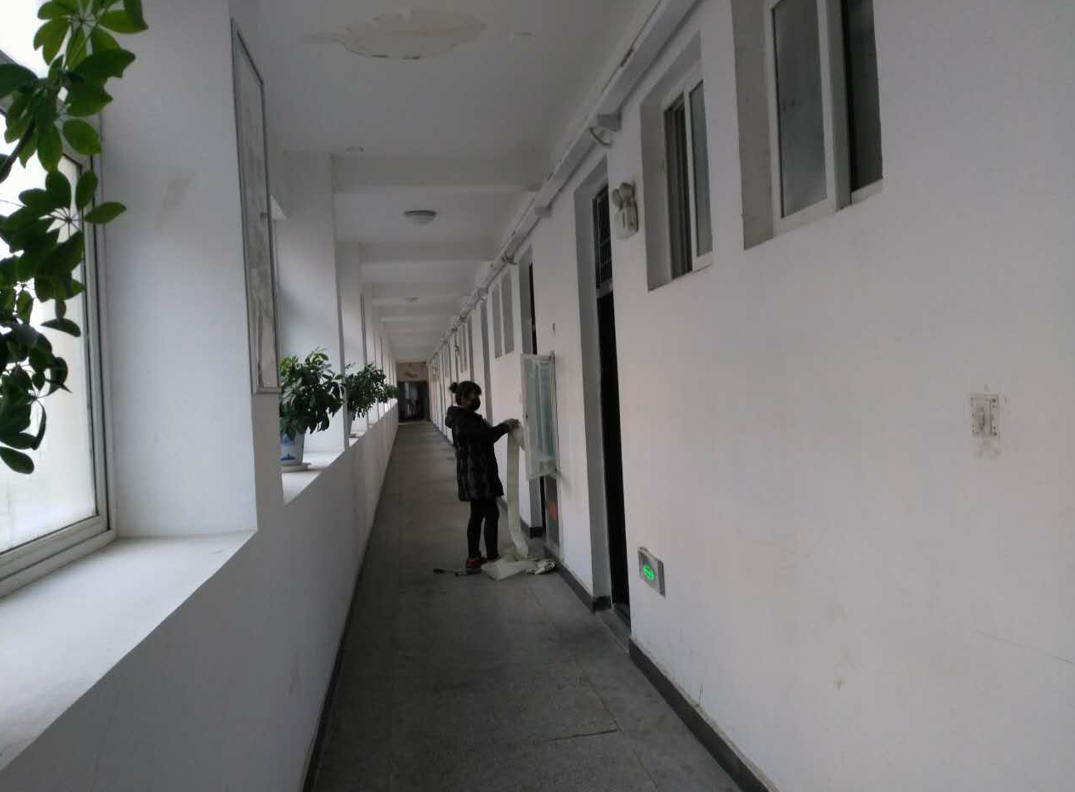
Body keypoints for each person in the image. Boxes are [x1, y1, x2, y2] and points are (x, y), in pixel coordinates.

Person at [445, 381, 519, 571]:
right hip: (477, 474)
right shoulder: (464, 420)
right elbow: (488, 436)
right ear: (463, 398)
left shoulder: (463, 417)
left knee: (477, 514)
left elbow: (483, 435)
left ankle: (474, 557)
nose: (477, 399)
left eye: (478, 395)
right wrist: (505, 426)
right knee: (491, 513)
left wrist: (497, 427)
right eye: (473, 396)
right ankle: (491, 556)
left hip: (474, 472)